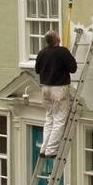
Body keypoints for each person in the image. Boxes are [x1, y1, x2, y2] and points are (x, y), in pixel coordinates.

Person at [35, 30, 79, 158]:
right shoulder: (62, 52)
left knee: (49, 118)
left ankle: (44, 148)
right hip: (59, 89)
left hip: (45, 88)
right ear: (57, 39)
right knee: (59, 120)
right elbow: (73, 69)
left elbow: (37, 70)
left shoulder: (42, 52)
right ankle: (51, 150)